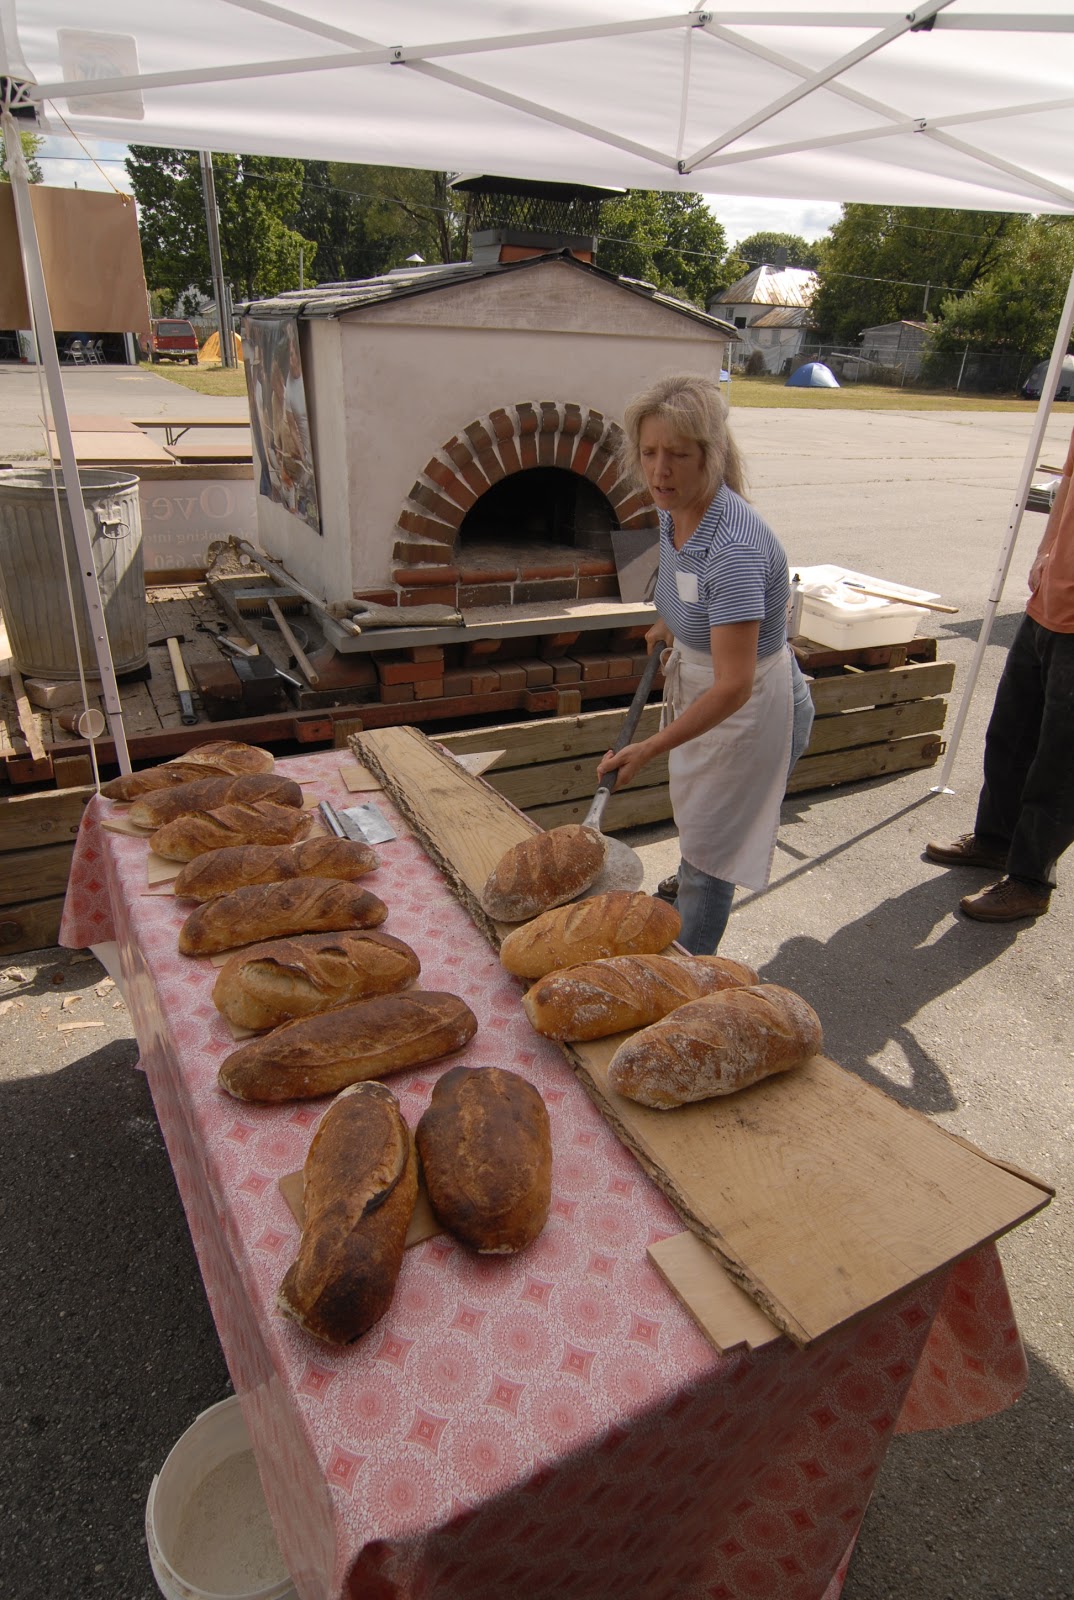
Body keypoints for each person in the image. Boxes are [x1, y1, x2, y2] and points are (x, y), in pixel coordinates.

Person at [596, 373, 814, 955]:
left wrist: (647, 747)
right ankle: (690, 883)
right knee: (701, 829)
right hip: (707, 689)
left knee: (714, 854)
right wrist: (670, 617)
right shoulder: (675, 507)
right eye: (649, 453)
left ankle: (686, 976)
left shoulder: (736, 548)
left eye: (677, 455)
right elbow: (682, 575)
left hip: (746, 709)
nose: (659, 471)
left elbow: (735, 686)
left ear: (710, 458)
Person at [926, 423, 1074, 921]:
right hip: (1048, 603)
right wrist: (1044, 553)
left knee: (1060, 762)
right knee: (1009, 735)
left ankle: (1031, 880)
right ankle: (995, 840)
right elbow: (1065, 489)